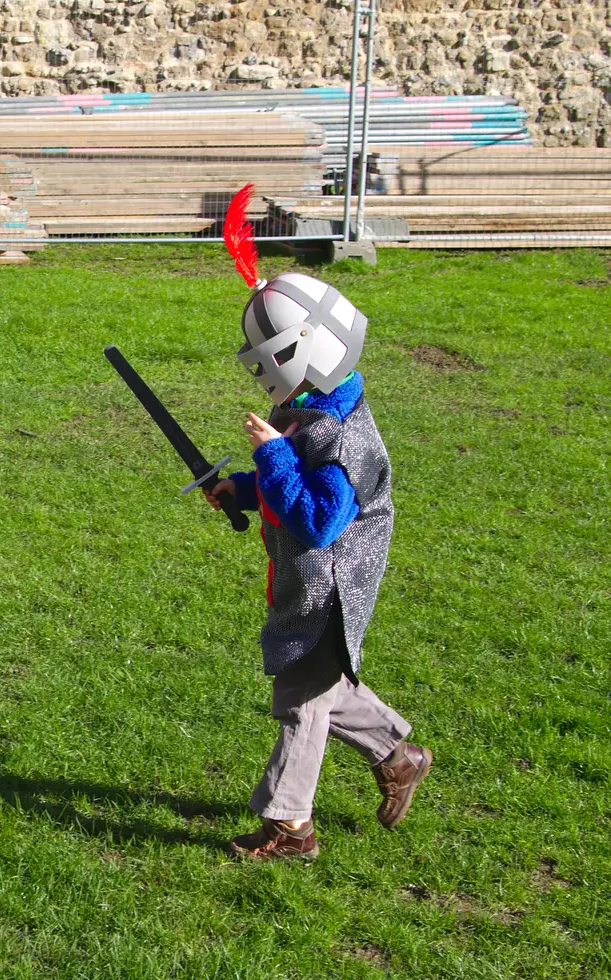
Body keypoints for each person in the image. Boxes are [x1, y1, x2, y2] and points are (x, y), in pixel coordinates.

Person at [209, 189, 430, 860]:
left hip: (328, 589)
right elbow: (288, 490)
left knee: (301, 702)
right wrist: (243, 489)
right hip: (308, 584)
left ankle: (289, 828)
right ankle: (397, 754)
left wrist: (270, 453)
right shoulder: (315, 408)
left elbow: (317, 516)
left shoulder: (340, 435)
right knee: (319, 690)